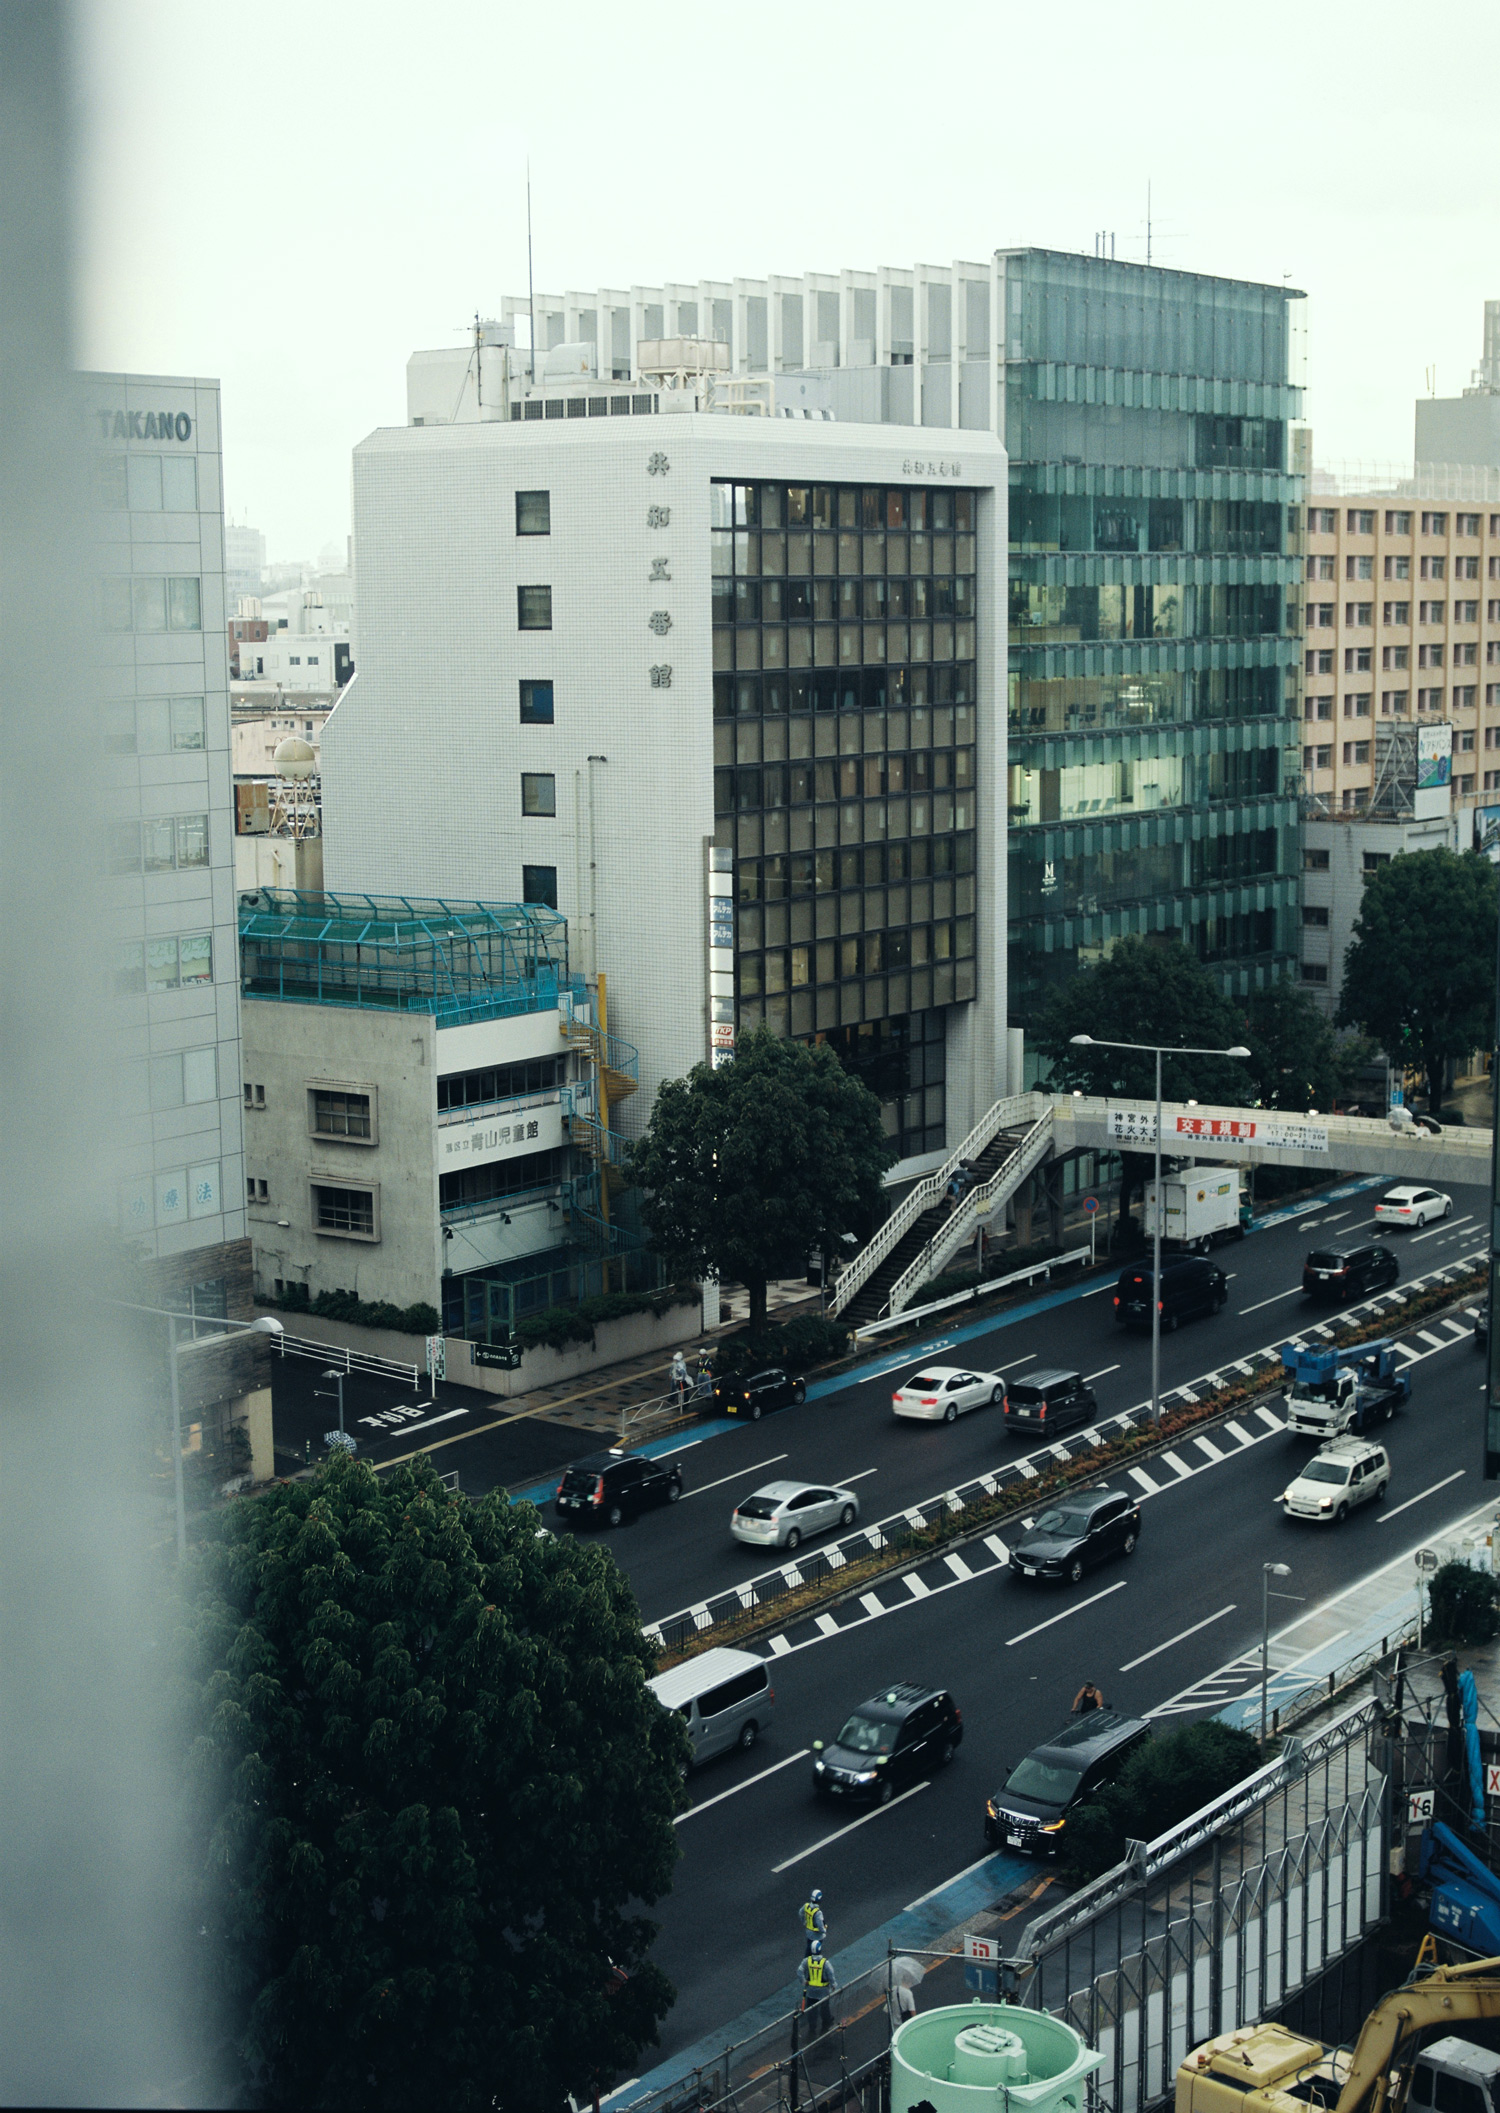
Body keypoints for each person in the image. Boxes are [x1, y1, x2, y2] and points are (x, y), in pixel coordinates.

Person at [799, 1940, 837, 2037]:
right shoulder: (825, 1962)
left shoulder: (807, 1961)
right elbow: (831, 1974)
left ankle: (812, 2028)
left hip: (811, 1991)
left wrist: (804, 1981)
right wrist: (833, 1984)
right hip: (823, 1991)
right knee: (825, 2008)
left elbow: (799, 1971)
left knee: (811, 2010)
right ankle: (826, 2023)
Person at [799, 1888, 826, 1952]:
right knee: (816, 1950)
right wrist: (823, 1931)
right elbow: (820, 1925)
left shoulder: (806, 1906)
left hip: (808, 1933)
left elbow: (800, 1913)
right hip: (817, 1935)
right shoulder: (818, 1912)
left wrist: (804, 1922)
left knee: (808, 1949)